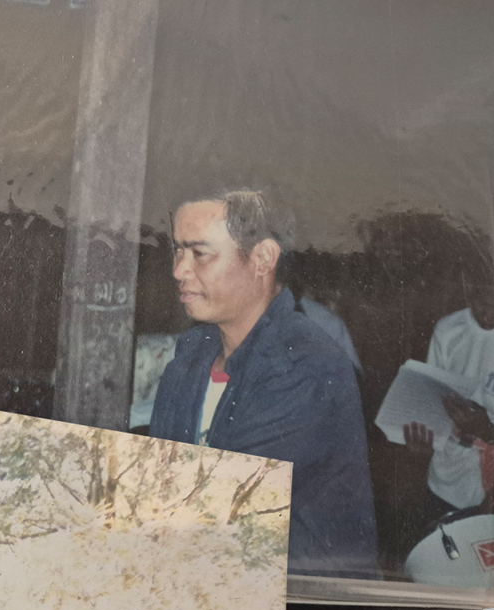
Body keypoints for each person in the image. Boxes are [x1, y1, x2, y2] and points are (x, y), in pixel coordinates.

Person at [147, 187, 378, 578]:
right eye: (178, 251)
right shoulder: (189, 360)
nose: (179, 271)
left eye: (199, 253)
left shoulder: (307, 365)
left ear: (262, 259)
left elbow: (217, 507)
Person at [399, 264, 494, 529]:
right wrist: (423, 443)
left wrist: (488, 430)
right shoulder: (449, 329)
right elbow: (432, 405)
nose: (486, 312)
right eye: (478, 300)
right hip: (447, 476)